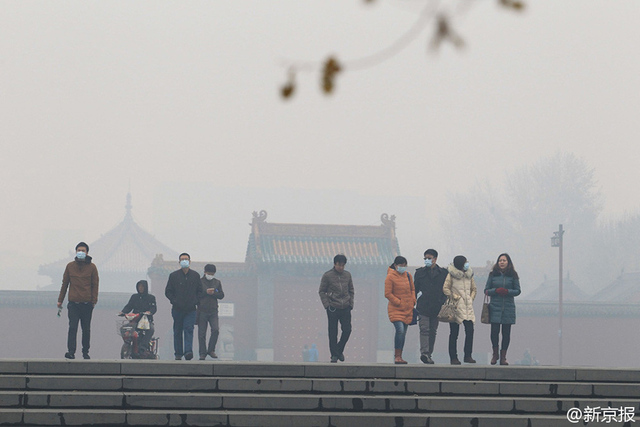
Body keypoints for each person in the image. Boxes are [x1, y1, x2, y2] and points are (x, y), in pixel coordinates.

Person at [57, 242, 99, 360]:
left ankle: (85, 351)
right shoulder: (70, 266)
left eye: (83, 250)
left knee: (86, 329)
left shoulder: (92, 267)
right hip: (73, 304)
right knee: (72, 327)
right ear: (76, 252)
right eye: (79, 250)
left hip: (87, 304)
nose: (81, 252)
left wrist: (94, 301)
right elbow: (64, 284)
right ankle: (71, 351)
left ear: (87, 253)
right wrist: (60, 300)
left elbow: (95, 285)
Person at [484, 253, 521, 366]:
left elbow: (518, 291)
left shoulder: (513, 275)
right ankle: (495, 354)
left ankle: (503, 357)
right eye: (500, 260)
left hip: (508, 307)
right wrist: (495, 291)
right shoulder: (492, 275)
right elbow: (486, 290)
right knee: (494, 332)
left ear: (508, 262)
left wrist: (507, 292)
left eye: (504, 260)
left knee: (506, 333)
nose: (502, 262)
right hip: (495, 306)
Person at [165, 253, 203, 360]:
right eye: (182, 259)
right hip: (177, 309)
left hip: (191, 309)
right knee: (177, 331)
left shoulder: (195, 276)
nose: (184, 261)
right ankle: (178, 353)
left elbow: (200, 291)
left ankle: (188, 351)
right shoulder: (173, 276)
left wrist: (195, 301)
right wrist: (174, 301)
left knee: (189, 329)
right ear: (179, 262)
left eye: (186, 259)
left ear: (190, 261)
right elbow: (168, 291)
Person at [414, 249, 448, 364]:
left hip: (437, 306)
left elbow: (446, 289)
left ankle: (429, 353)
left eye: (429, 258)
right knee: (424, 330)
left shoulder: (443, 273)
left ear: (435, 259)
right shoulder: (420, 273)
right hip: (423, 305)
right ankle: (424, 353)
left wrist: (443, 301)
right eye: (425, 258)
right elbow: (415, 289)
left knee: (433, 331)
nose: (427, 260)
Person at [319, 254, 354, 363]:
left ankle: (339, 350)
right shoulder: (327, 275)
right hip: (333, 307)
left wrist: (350, 304)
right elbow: (321, 291)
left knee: (347, 330)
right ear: (335, 264)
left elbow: (351, 290)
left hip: (345, 307)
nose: (341, 267)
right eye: (339, 265)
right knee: (333, 332)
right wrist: (327, 306)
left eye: (343, 265)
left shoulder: (347, 275)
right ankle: (334, 355)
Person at [443, 255, 477, 365]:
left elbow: (474, 289)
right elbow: (445, 288)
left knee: (470, 331)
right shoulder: (451, 275)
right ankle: (453, 357)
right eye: (465, 262)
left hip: (467, 307)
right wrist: (455, 297)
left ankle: (468, 355)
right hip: (455, 307)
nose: (467, 263)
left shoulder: (469, 275)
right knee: (454, 333)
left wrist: (470, 298)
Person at [384, 255, 416, 364]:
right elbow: (388, 293)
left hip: (408, 309)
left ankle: (400, 356)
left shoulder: (408, 275)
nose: (403, 267)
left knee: (403, 333)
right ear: (396, 265)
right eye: (401, 265)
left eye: (404, 265)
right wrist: (399, 302)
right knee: (400, 330)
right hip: (396, 309)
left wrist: (413, 300)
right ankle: (397, 356)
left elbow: (412, 289)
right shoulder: (390, 277)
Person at [118, 280, 157, 358]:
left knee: (151, 329)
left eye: (142, 286)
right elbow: (129, 306)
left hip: (145, 320)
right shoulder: (134, 297)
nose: (140, 288)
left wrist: (149, 312)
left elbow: (154, 308)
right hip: (135, 320)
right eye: (139, 286)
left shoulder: (151, 298)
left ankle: (143, 347)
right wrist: (123, 312)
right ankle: (128, 343)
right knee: (123, 328)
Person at [197, 263, 224, 360]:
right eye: (209, 273)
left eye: (212, 274)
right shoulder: (199, 282)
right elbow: (196, 295)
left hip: (213, 311)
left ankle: (211, 350)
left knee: (215, 330)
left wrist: (214, 293)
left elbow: (221, 295)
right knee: (201, 334)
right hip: (202, 310)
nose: (210, 275)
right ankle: (202, 353)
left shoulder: (217, 282)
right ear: (204, 272)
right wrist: (205, 292)